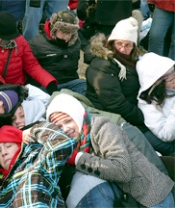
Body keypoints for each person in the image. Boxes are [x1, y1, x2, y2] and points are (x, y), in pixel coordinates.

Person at [46, 93, 174, 207]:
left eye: (68, 121)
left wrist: (77, 158)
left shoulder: (102, 127)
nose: (65, 129)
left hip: (153, 197)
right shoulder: (72, 142)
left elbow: (122, 171)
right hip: (128, 198)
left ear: (78, 115)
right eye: (59, 126)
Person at [85, 17, 171, 155]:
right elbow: (115, 104)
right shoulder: (103, 65)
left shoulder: (132, 60)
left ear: (134, 46)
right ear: (112, 43)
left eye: (128, 45)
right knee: (166, 143)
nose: (123, 49)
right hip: (116, 118)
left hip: (134, 113)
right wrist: (144, 118)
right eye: (119, 44)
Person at [0, 123, 74, 207]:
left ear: (21, 146)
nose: (3, 152)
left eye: (8, 146)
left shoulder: (37, 160)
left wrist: (31, 132)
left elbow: (61, 141)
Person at [0, 11, 58, 95]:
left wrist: (49, 82)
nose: (11, 40)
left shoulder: (20, 41)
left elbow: (32, 66)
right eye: (6, 38)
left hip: (17, 89)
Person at [29, 10, 86, 95]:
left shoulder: (76, 42)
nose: (66, 36)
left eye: (70, 33)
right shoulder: (36, 44)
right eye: (63, 32)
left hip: (71, 83)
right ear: (54, 29)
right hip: (47, 85)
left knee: (85, 86)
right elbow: (31, 68)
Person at [136, 53, 175, 151]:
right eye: (170, 79)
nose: (174, 80)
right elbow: (165, 134)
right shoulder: (147, 104)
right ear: (156, 82)